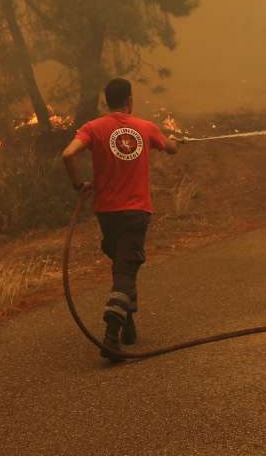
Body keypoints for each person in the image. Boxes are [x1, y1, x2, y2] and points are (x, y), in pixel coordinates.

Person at [62, 78, 180, 359]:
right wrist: (175, 141)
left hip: (107, 213)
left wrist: (78, 184)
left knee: (122, 265)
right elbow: (171, 148)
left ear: (107, 101)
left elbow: (68, 154)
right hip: (137, 212)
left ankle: (128, 324)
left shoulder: (93, 128)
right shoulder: (146, 128)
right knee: (126, 270)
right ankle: (111, 336)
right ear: (129, 100)